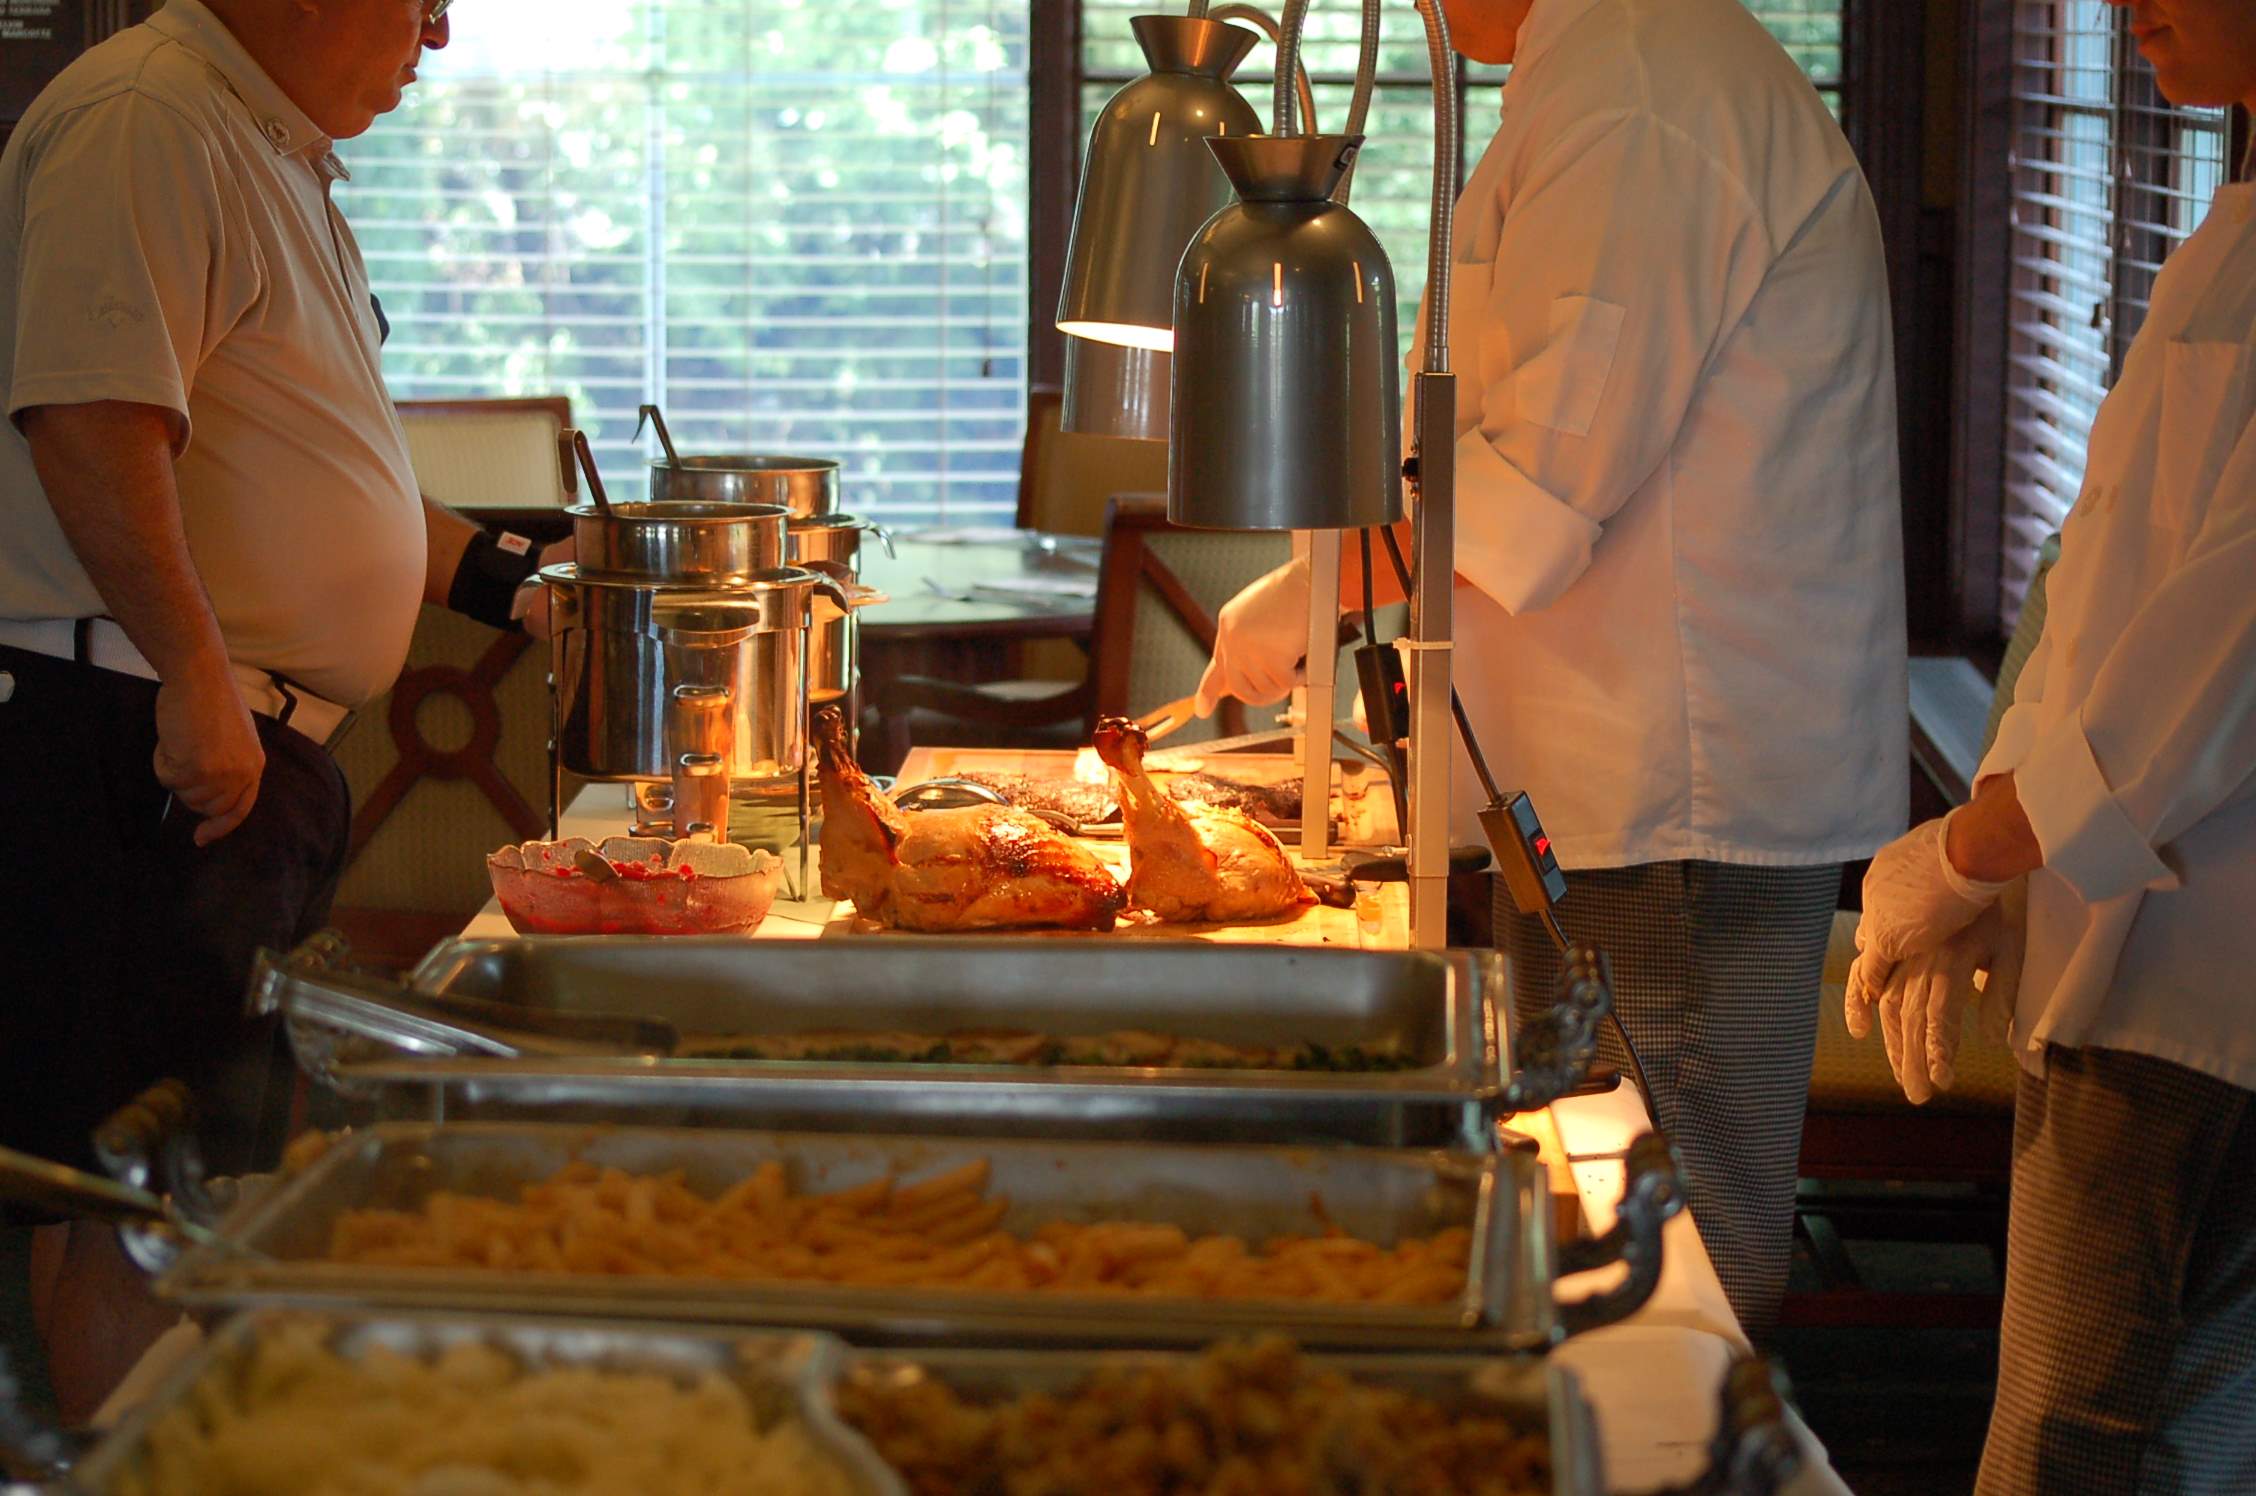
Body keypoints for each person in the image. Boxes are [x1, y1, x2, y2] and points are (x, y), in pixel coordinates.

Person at [1195, 0, 1906, 1344]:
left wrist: (1317, 591)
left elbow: (1535, 486)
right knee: (1601, 1221)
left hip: (1672, 796)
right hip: (1602, 784)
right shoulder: (1591, 73)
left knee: (1667, 1262)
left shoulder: (1643, 86)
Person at [0, 0, 562, 1418]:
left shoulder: (265, 146)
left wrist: (517, 589)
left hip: (224, 737)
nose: (439, 33)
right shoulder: (149, 119)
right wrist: (196, 678)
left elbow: (323, 465)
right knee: (154, 1199)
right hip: (143, 732)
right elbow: (91, 420)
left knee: (160, 1183)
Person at [1847, 1, 2256, 1486]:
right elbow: (2097, 589)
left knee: (2076, 1437)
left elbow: (2213, 651)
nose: (2136, 9)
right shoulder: (2232, 222)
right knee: (2176, 1435)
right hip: (2130, 927)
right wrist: (1998, 862)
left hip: (2189, 970)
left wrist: (1972, 850)